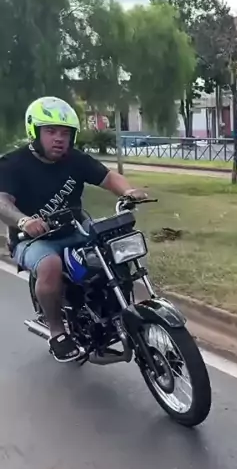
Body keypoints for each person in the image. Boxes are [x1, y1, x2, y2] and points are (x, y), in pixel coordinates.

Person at [0, 96, 148, 363]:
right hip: (31, 239)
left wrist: (128, 191)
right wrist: (24, 221)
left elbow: (108, 177)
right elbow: (3, 202)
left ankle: (118, 310)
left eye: (65, 133)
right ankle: (57, 333)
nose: (59, 139)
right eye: (51, 131)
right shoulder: (13, 164)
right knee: (50, 265)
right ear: (34, 131)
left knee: (115, 244)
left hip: (76, 227)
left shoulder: (75, 160)